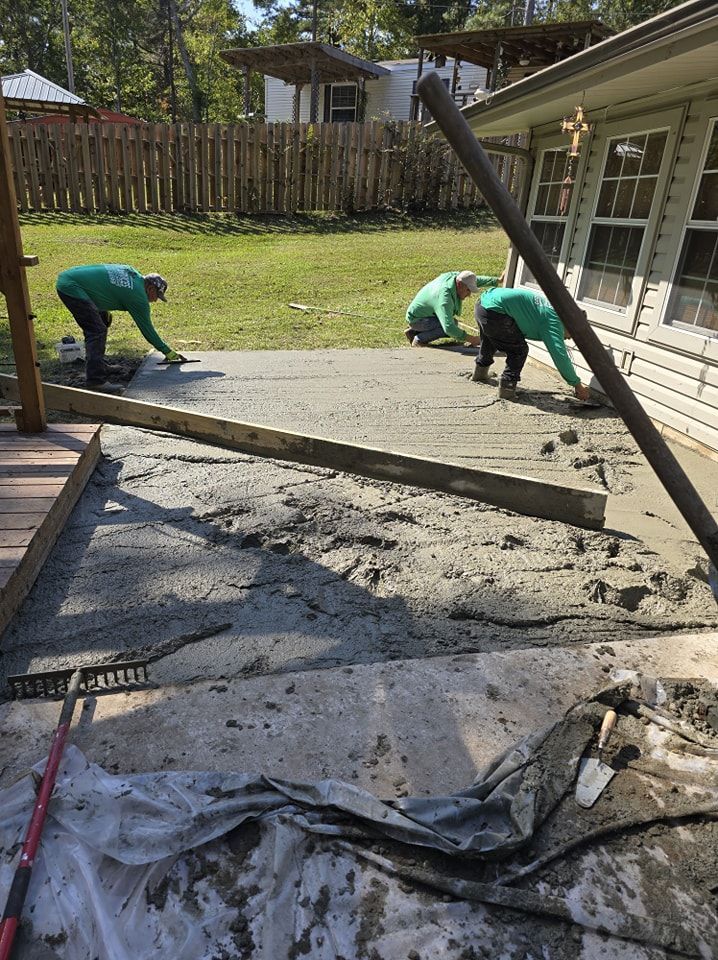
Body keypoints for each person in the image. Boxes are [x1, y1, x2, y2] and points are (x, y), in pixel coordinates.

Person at [56, 264, 186, 393]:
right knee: (97, 330)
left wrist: (103, 307)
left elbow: (107, 283)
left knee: (102, 320)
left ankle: (99, 365)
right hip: (71, 288)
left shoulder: (133, 274)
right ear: (151, 289)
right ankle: (95, 381)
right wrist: (167, 351)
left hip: (71, 277)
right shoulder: (138, 297)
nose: (155, 300)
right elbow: (147, 330)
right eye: (157, 296)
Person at [471, 286, 591, 401]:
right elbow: (560, 356)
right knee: (519, 350)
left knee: (489, 341)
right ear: (569, 325)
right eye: (573, 334)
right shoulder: (554, 322)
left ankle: (480, 374)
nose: (570, 339)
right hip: (495, 311)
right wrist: (577, 385)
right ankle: (507, 390)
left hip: (484, 303)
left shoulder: (554, 310)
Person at [405, 270, 500, 347]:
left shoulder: (454, 277)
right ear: (459, 285)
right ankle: (419, 338)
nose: (469, 295)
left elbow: (473, 280)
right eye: (468, 290)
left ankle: (414, 331)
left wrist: (497, 280)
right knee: (452, 325)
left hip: (424, 315)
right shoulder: (444, 298)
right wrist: (472, 339)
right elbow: (449, 328)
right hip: (417, 320)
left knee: (453, 324)